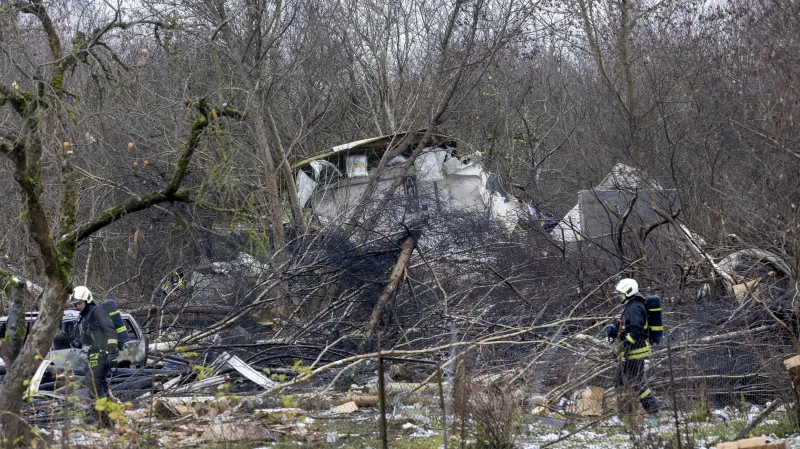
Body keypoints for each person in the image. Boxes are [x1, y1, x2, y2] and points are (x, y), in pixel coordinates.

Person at [606, 278, 660, 420]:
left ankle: (653, 410)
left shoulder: (635, 307)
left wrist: (622, 345)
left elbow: (636, 331)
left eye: (621, 293)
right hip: (630, 352)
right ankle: (625, 412)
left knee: (636, 382)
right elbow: (627, 327)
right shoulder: (631, 306)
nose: (619, 296)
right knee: (620, 381)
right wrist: (614, 330)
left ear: (628, 292)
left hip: (636, 351)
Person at [69, 286, 118, 415]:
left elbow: (111, 331)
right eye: (75, 304)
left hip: (103, 353)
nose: (77, 306)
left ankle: (101, 414)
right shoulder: (86, 316)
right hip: (94, 354)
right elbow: (93, 336)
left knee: (93, 382)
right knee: (98, 384)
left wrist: (112, 354)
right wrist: (80, 342)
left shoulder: (98, 311)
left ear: (87, 300)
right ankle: (110, 414)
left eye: (79, 303)